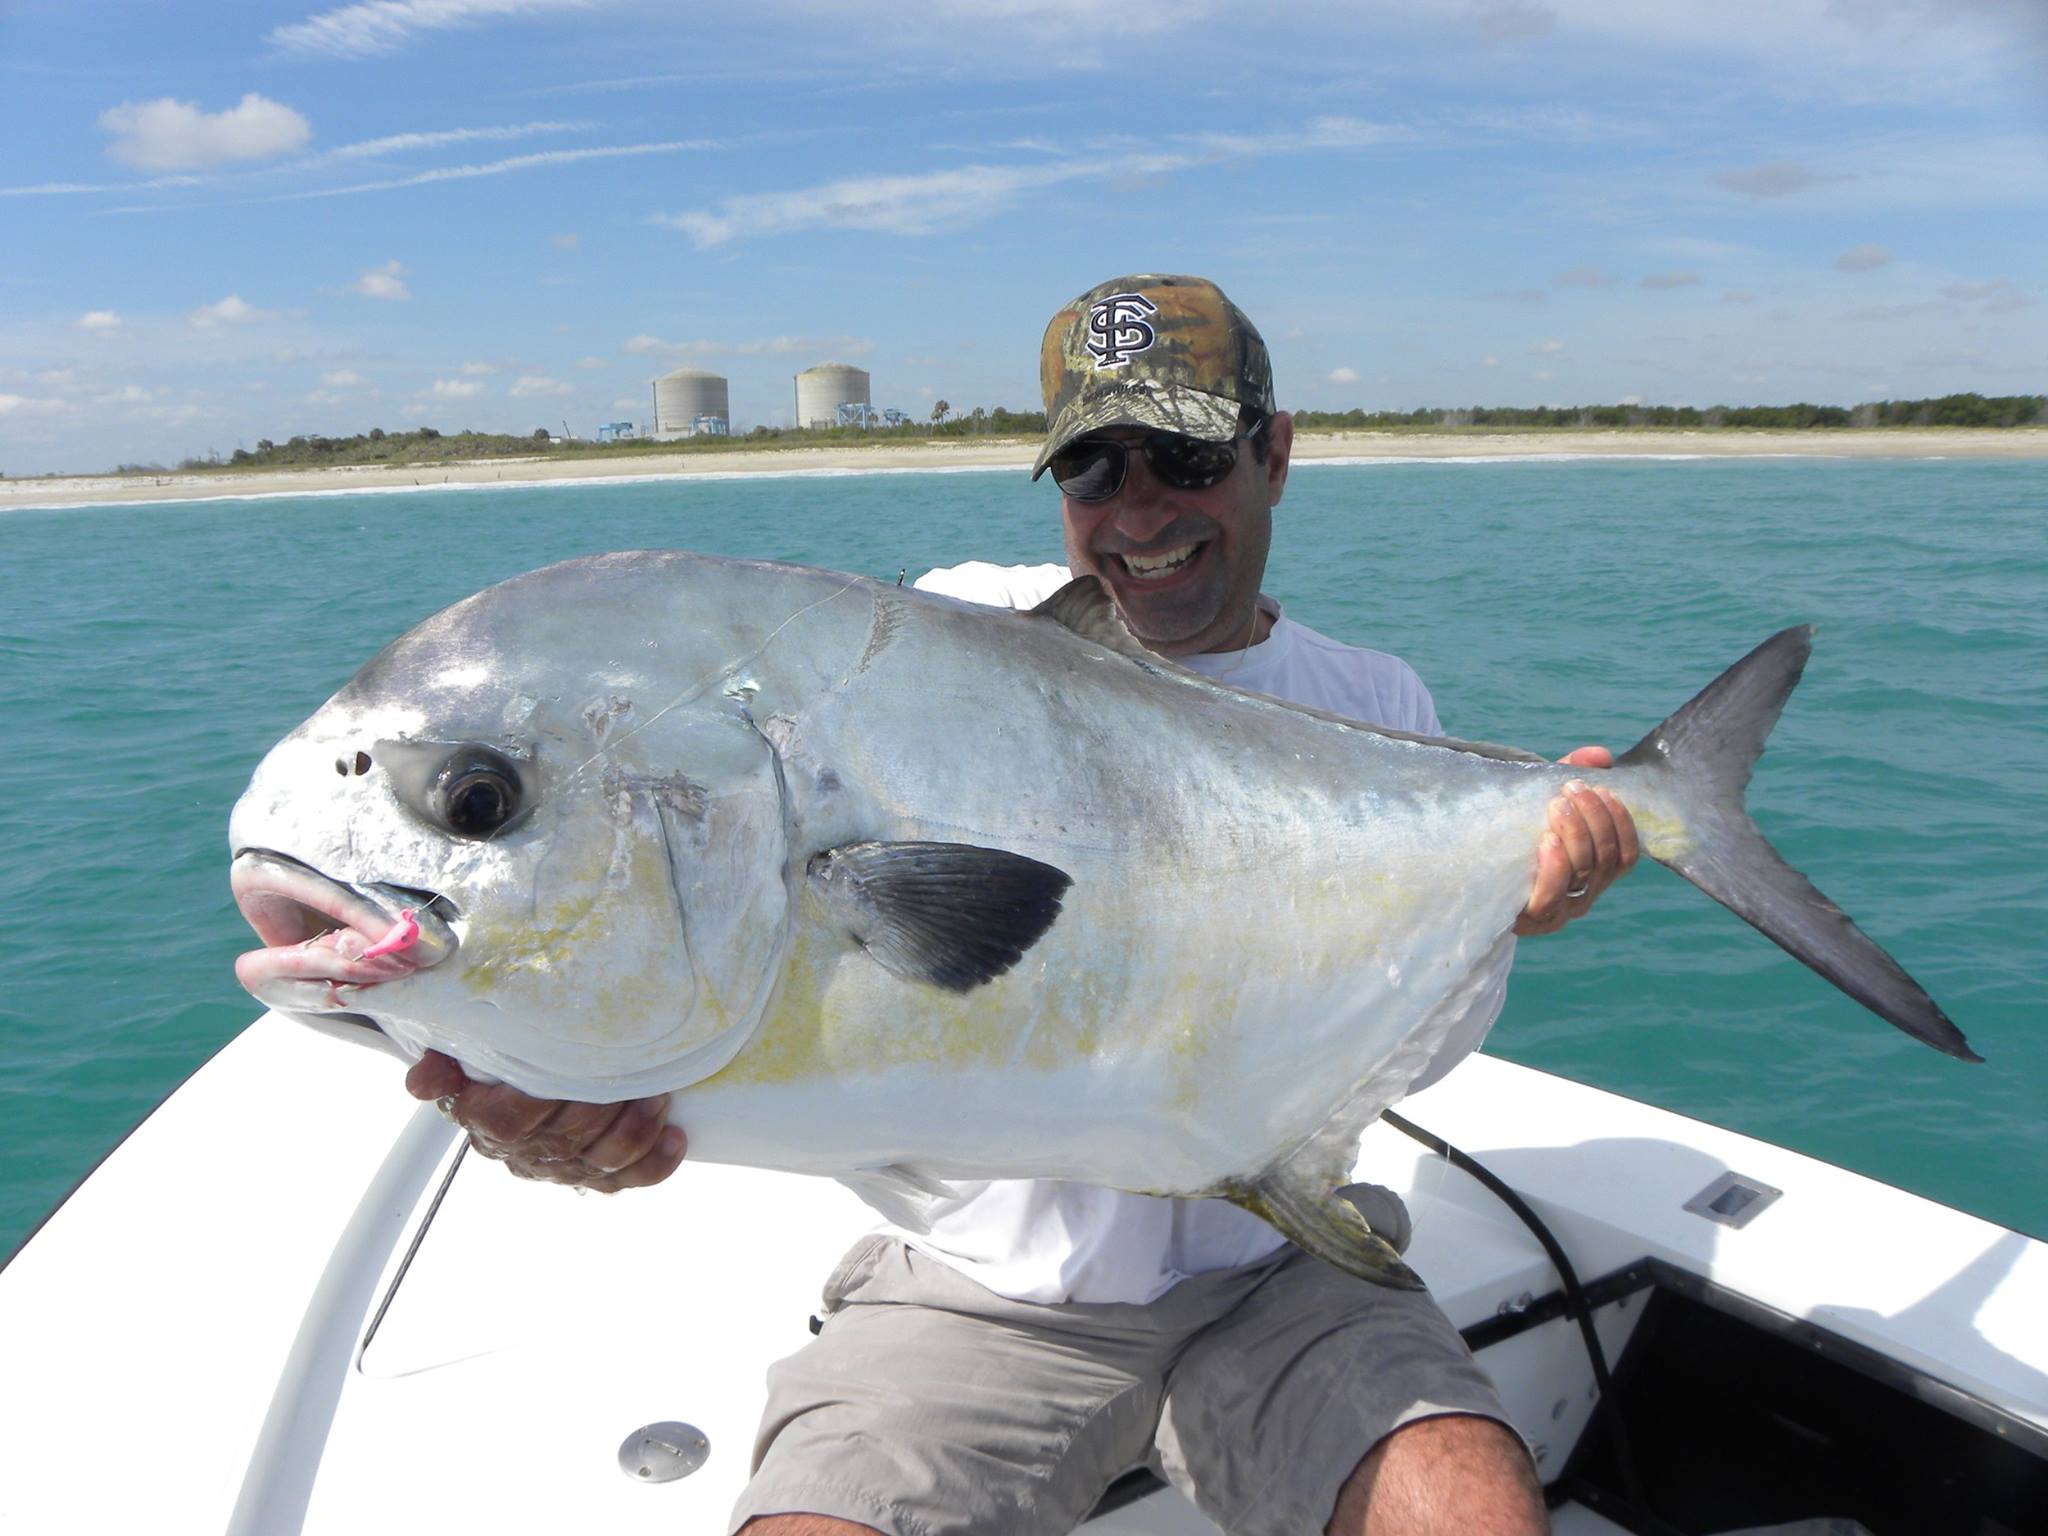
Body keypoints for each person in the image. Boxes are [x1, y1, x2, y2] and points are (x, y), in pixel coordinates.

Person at [407, 273, 1638, 1536]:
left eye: (1182, 454)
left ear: (1273, 454)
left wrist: (1499, 917)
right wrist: (566, 1106)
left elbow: (1402, 1059)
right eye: (1093, 471)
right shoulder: (945, 644)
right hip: (975, 1293)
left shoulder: (1372, 707)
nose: (1139, 510)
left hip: (1277, 1272)